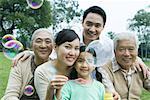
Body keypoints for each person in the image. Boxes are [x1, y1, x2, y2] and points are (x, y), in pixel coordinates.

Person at [1, 28, 54, 100]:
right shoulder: (20, 63)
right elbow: (11, 94)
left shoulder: (57, 65)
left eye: (48, 41)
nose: (43, 45)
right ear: (32, 45)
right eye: (38, 41)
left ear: (53, 45)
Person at [34, 29, 80, 100]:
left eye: (76, 48)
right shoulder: (42, 71)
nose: (72, 53)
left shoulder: (80, 68)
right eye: (67, 47)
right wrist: (50, 90)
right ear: (55, 47)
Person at [102, 32, 150, 99]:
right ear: (114, 51)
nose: (127, 54)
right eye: (121, 49)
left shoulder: (140, 67)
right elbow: (111, 94)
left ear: (137, 51)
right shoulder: (105, 69)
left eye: (131, 49)